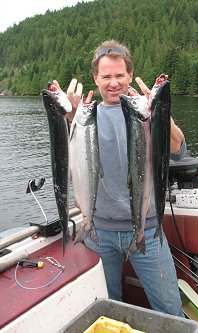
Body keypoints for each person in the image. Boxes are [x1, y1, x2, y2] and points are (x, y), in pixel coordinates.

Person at [53, 40, 186, 317]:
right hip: (98, 232)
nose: (113, 83)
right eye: (106, 77)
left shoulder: (146, 113)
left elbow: (178, 150)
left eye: (119, 76)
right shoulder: (83, 118)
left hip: (148, 230)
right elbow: (66, 161)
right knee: (106, 308)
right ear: (96, 79)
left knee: (170, 310)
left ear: (129, 75)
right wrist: (68, 118)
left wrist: (160, 111)